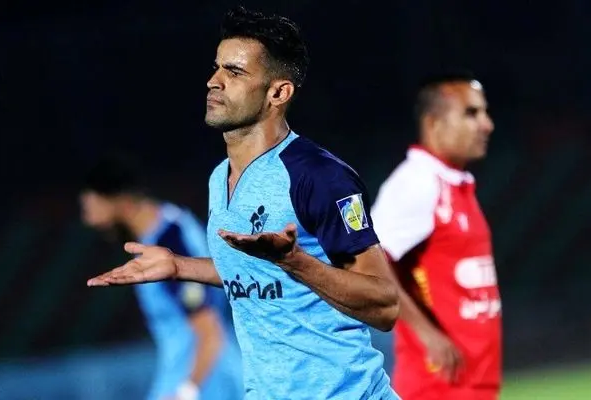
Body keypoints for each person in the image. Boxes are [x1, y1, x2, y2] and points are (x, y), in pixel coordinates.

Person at [87, 6, 401, 400]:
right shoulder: (219, 178)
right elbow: (257, 273)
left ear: (278, 93)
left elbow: (385, 306)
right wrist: (179, 266)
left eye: (234, 72)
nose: (213, 81)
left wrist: (295, 261)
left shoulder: (318, 176)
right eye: (216, 68)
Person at [370, 72, 502, 400]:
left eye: (484, 112)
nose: (486, 125)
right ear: (433, 123)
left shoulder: (453, 182)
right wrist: (426, 333)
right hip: (438, 384)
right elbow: (368, 259)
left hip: (472, 381)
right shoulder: (417, 182)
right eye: (471, 113)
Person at [80, 153, 243, 400]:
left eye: (90, 208)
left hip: (206, 380)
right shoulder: (167, 227)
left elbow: (210, 331)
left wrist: (187, 391)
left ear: (118, 201)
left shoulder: (169, 244)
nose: (88, 220)